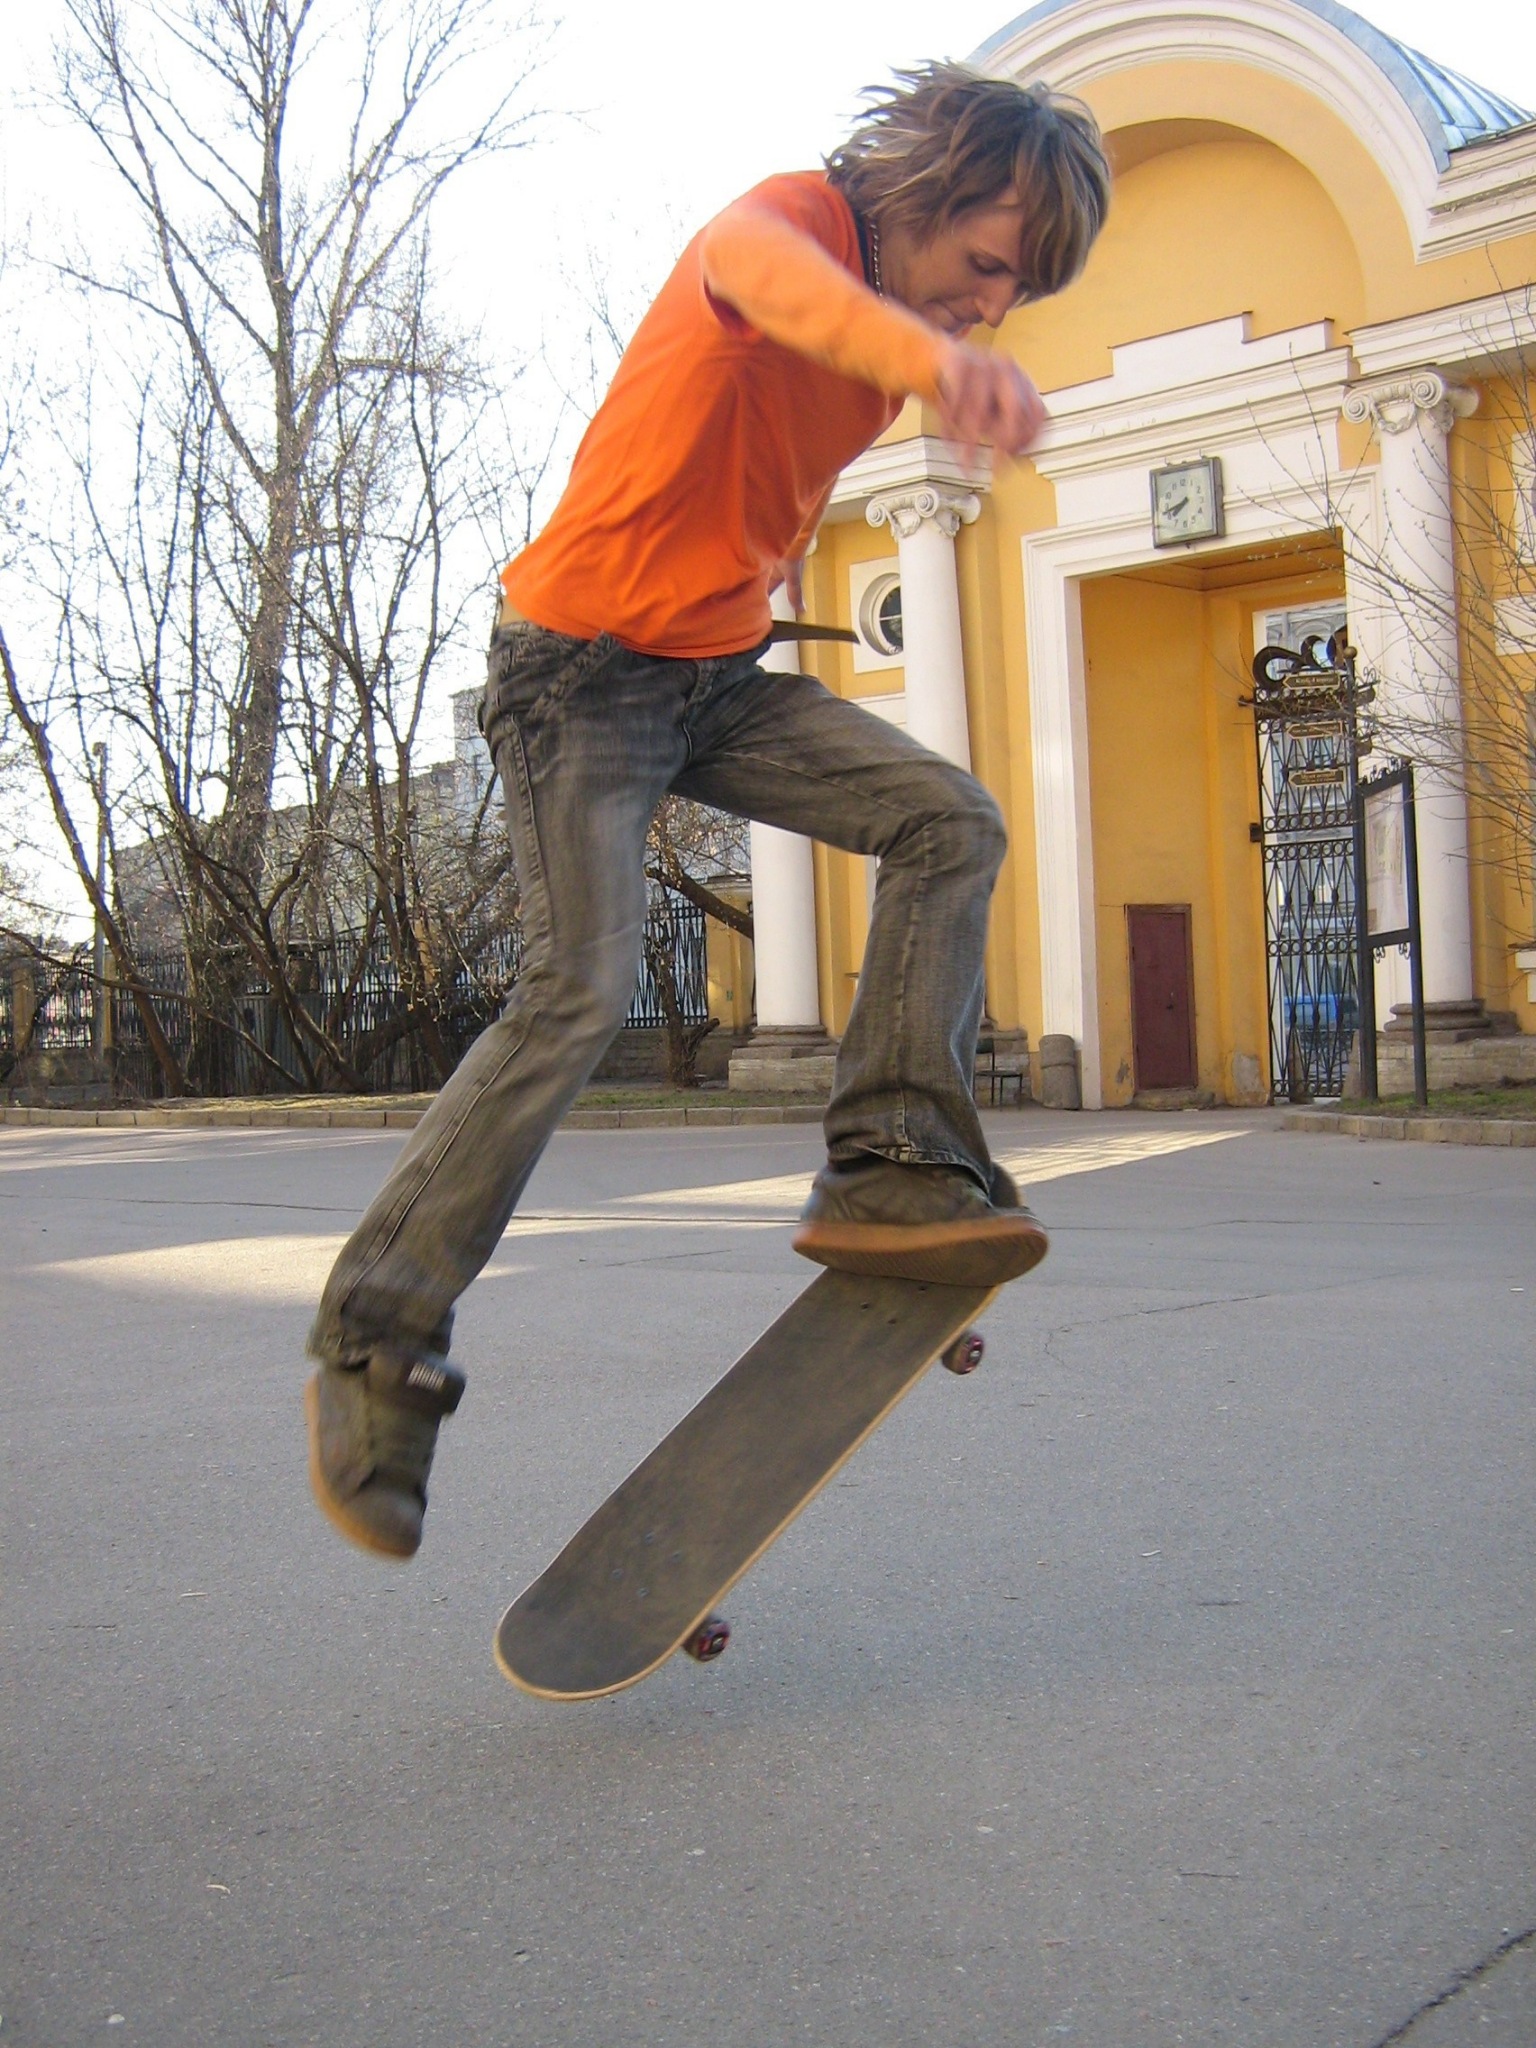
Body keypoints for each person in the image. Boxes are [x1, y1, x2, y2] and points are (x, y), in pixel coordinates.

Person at [306, 63, 1111, 1560]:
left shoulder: (896, 344)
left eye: (1016, 292)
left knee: (950, 822)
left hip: (713, 679)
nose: (991, 308)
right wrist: (930, 362)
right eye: (988, 263)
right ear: (923, 193)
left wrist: (776, 550)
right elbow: (770, 286)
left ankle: (892, 1163)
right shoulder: (785, 223)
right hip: (577, 676)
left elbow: (756, 454)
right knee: (576, 989)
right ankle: (374, 1339)